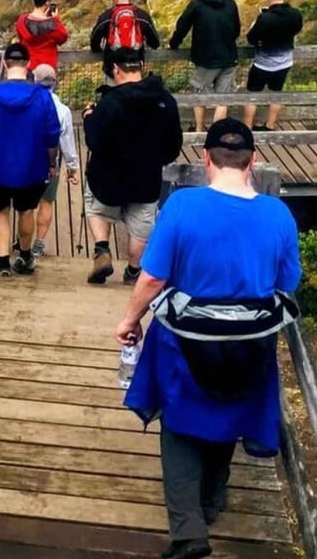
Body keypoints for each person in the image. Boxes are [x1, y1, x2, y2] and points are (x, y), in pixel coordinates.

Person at [114, 120, 301, 559]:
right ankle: (211, 501)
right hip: (248, 342)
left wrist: (130, 319)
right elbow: (287, 282)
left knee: (178, 426)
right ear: (252, 161)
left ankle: (188, 532)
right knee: (227, 416)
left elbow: (153, 277)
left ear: (206, 160)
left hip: (185, 339)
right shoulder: (278, 214)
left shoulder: (183, 205)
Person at [82, 49, 183, 285]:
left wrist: (88, 117)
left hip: (108, 175)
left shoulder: (110, 102)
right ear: (142, 66)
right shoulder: (164, 100)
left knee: (97, 209)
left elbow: (94, 140)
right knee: (141, 228)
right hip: (146, 176)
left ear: (116, 69)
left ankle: (102, 249)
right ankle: (133, 271)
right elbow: (173, 144)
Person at [0, 42, 61, 278]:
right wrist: (51, 164)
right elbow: (52, 134)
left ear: (6, 63)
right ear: (28, 65)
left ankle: (3, 262)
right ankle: (26, 256)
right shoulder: (41, 96)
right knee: (26, 210)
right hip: (32, 166)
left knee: (0, 211)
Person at [170, 0, 242, 132]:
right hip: (229, 57)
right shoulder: (230, 4)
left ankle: (199, 130)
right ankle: (217, 132)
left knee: (198, 93)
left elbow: (183, 25)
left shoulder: (197, 4)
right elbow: (236, 29)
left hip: (205, 58)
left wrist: (174, 43)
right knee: (222, 99)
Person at [32, 64, 80, 256]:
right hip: (51, 160)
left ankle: (23, 242)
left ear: (34, 81)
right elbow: (66, 140)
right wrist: (72, 166)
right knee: (46, 201)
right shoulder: (63, 110)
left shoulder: (27, 105)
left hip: (28, 158)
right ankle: (39, 243)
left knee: (25, 203)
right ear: (54, 84)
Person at [242, 0, 303, 131]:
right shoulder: (295, 15)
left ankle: (247, 127)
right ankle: (270, 125)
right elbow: (297, 29)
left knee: (252, 95)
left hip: (263, 63)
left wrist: (256, 22)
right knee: (276, 93)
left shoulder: (265, 18)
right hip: (284, 62)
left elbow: (251, 38)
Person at [89, 0, 161, 83]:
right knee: (135, 98)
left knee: (114, 97)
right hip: (136, 71)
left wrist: (99, 51)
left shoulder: (106, 17)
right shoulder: (142, 16)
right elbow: (155, 43)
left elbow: (94, 41)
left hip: (114, 70)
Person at [16, 0, 70, 72]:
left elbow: (21, 38)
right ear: (47, 3)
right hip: (46, 70)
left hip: (27, 68)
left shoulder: (21, 20)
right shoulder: (51, 25)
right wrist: (55, 19)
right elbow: (63, 37)